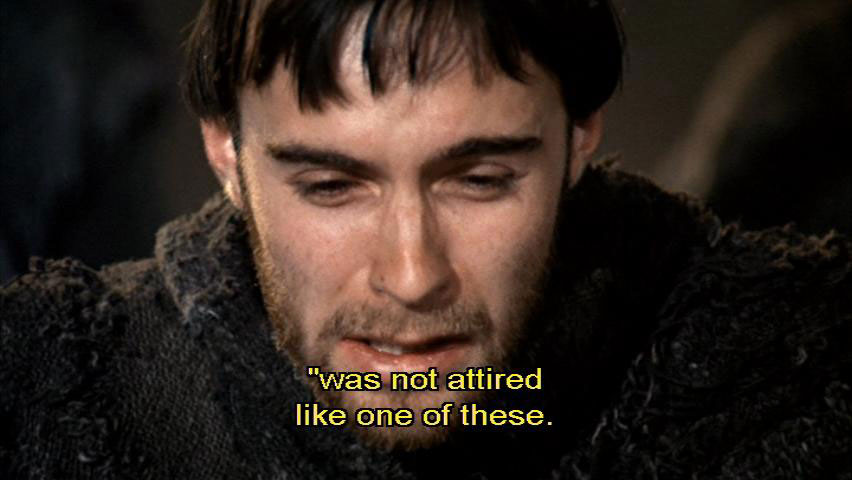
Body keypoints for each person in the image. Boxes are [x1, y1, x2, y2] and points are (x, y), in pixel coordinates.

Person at [1, 1, 849, 478]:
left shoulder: (799, 368)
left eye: (480, 181)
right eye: (331, 187)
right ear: (226, 150)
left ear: (579, 136)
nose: (411, 277)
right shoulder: (47, 390)